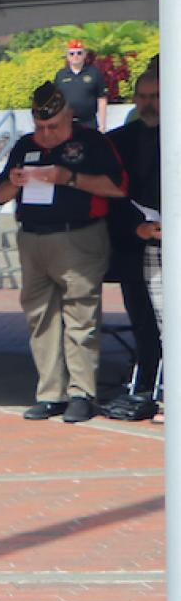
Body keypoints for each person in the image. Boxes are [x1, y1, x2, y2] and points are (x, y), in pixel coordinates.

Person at [0, 81, 126, 423]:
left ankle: (82, 392)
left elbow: (117, 186)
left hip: (78, 237)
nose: (47, 134)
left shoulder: (92, 142)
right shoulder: (25, 145)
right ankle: (50, 392)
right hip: (33, 238)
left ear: (69, 116)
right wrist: (15, 181)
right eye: (40, 127)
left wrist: (68, 177)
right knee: (40, 317)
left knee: (81, 317)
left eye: (53, 127)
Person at [109, 70, 162, 409]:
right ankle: (145, 379)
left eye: (155, 96)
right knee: (141, 316)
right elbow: (111, 197)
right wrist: (135, 228)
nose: (147, 104)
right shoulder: (119, 140)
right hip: (135, 243)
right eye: (142, 97)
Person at [56, 39, 110, 130]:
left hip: (89, 123)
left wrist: (102, 125)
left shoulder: (94, 73)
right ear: (67, 57)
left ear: (84, 55)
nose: (75, 56)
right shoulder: (60, 75)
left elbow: (102, 99)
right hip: (66, 124)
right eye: (72, 54)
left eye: (79, 53)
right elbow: (56, 101)